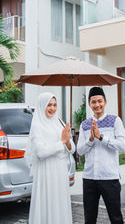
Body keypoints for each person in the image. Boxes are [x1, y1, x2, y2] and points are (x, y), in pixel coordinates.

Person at [77, 87, 125, 224]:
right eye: (93, 102)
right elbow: (80, 150)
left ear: (105, 102)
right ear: (89, 104)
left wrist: (101, 137)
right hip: (89, 178)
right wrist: (91, 139)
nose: (97, 105)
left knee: (115, 217)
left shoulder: (115, 120)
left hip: (109, 177)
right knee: (89, 218)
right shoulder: (85, 125)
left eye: (100, 101)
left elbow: (122, 145)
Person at [25, 92, 75, 224]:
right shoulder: (37, 126)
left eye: (54, 105)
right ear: (42, 106)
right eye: (49, 105)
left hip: (60, 173)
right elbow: (40, 153)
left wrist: (68, 141)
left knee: (59, 205)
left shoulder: (59, 122)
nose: (52, 108)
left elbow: (73, 149)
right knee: (47, 205)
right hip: (46, 174)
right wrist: (62, 143)